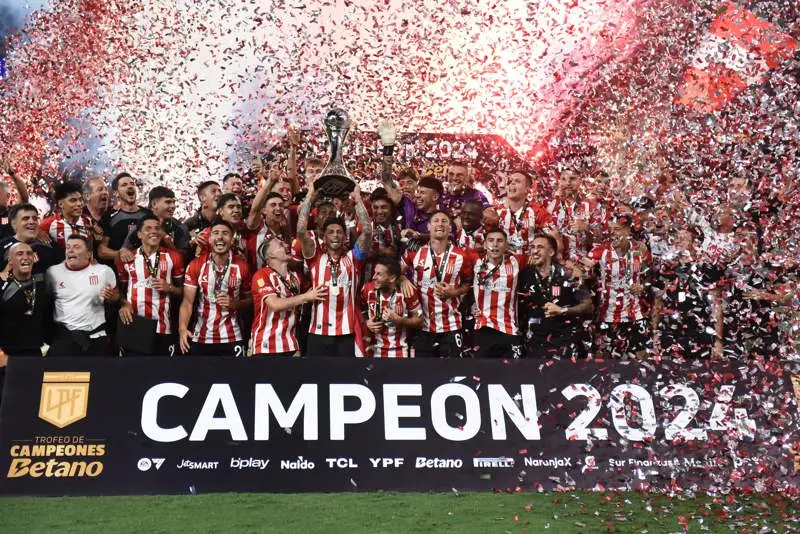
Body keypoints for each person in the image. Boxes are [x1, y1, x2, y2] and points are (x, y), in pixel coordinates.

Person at [297, 182, 372, 358]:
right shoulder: (315, 259)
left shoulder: (353, 260)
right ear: (323, 236)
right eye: (331, 232)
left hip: (346, 333)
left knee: (346, 380)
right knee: (317, 379)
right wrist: (310, 195)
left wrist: (358, 199)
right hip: (317, 332)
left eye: (339, 232)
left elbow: (367, 231)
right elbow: (301, 230)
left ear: (345, 237)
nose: (336, 235)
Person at [403, 210, 474, 358]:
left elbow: (468, 282)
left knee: (452, 373)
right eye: (436, 221)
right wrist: (402, 279)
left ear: (450, 227)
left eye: (444, 221)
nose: (440, 224)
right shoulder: (415, 252)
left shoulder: (461, 255)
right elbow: (396, 270)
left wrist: (453, 292)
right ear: (428, 226)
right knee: (423, 374)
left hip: (452, 324)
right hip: (422, 326)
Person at [179, 220, 252, 356]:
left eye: (225, 233)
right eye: (216, 233)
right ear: (209, 238)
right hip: (200, 336)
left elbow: (251, 301)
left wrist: (235, 304)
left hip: (232, 336)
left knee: (233, 377)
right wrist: (182, 328)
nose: (220, 237)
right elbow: (187, 302)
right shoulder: (196, 265)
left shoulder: (242, 266)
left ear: (232, 239)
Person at [585, 214, 652, 359]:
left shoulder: (641, 250)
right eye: (612, 230)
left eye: (618, 229)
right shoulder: (601, 250)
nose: (614, 233)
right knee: (605, 358)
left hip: (635, 314)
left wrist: (643, 286)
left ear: (628, 231)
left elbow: (649, 274)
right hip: (607, 314)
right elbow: (583, 266)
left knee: (641, 358)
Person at [652, 226, 724, 359]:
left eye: (683, 238)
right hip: (669, 332)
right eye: (677, 238)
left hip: (700, 332)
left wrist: (718, 340)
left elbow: (717, 305)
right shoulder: (666, 268)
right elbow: (658, 301)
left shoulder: (707, 269)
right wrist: (655, 332)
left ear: (695, 243)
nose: (678, 241)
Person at [118, 215, 184, 356]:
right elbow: (120, 291)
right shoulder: (127, 258)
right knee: (135, 373)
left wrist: (170, 288)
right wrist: (123, 303)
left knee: (163, 374)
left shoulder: (174, 257)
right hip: (135, 327)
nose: (154, 231)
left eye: (157, 228)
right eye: (148, 228)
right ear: (139, 234)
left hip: (163, 327)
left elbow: (184, 292)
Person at [519, 234, 593, 358]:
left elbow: (588, 306)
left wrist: (562, 310)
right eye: (533, 247)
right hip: (534, 342)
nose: (535, 251)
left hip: (564, 341)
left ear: (551, 252)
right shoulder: (524, 275)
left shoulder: (569, 274)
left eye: (540, 247)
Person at [250, 236, 326, 356]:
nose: (286, 245)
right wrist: (306, 297)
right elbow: (275, 304)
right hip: (265, 345)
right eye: (280, 244)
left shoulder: (296, 277)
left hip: (291, 345)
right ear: (270, 255)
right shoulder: (261, 275)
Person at [45, 235, 119, 357]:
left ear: (89, 254)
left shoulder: (104, 271)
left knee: (99, 375)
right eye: (68, 247)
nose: (70, 250)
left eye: (76, 247)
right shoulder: (53, 272)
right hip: (65, 338)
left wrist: (111, 297)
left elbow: (116, 296)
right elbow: (47, 299)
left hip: (95, 336)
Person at [470, 228, 525, 359]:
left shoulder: (516, 261)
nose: (495, 244)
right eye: (490, 240)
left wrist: (573, 268)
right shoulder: (474, 260)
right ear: (484, 244)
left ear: (506, 246)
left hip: (509, 328)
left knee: (512, 376)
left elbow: (541, 259)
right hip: (483, 327)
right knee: (483, 375)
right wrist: (472, 305)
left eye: (500, 241)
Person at [485, 170, 558, 256]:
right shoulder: (495, 212)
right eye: (510, 181)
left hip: (530, 265)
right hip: (503, 264)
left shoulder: (538, 212)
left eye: (517, 181)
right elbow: (482, 242)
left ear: (527, 189)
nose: (512, 183)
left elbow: (556, 242)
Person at [362, 256, 422, 358]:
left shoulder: (407, 291)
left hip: (401, 351)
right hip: (373, 351)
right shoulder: (367, 289)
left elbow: (420, 321)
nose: (373, 277)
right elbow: (357, 312)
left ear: (392, 278)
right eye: (374, 273)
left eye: (379, 274)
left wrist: (400, 320)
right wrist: (366, 322)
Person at [0, 242, 50, 358]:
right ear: (10, 261)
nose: (25, 257)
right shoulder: (3, 284)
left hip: (35, 351)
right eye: (19, 254)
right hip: (7, 352)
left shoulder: (42, 281)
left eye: (29, 253)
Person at [98, 173, 150, 263]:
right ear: (116, 193)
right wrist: (119, 253)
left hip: (145, 268)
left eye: (132, 184)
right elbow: (101, 251)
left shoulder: (147, 214)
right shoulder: (108, 216)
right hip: (119, 271)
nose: (130, 186)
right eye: (124, 185)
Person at [0, 204, 60, 277]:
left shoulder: (49, 243)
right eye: (25, 218)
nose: (32, 222)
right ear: (14, 224)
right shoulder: (3, 246)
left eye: (35, 218)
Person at [39, 181, 95, 256]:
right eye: (73, 200)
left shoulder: (88, 221)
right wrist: (38, 233)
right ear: (61, 204)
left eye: (80, 200)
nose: (79, 204)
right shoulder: (49, 224)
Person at [194, 194, 250, 262]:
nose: (236, 210)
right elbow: (199, 264)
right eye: (231, 207)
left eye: (239, 207)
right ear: (221, 211)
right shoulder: (208, 234)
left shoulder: (245, 230)